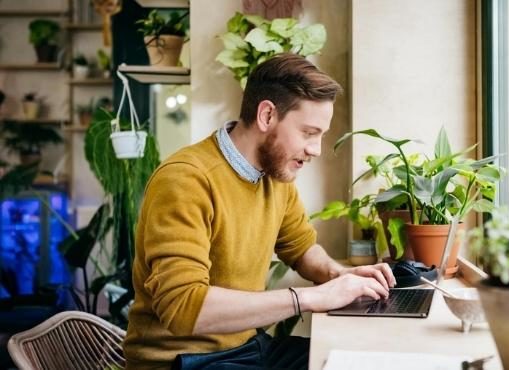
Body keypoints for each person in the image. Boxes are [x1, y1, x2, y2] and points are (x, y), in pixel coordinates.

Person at [123, 53, 396, 370]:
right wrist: (309, 298)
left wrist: (341, 276)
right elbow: (184, 308)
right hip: (182, 361)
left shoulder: (275, 175)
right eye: (309, 133)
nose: (316, 150)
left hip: (247, 348)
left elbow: (302, 248)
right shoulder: (186, 179)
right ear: (267, 115)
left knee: (358, 361)